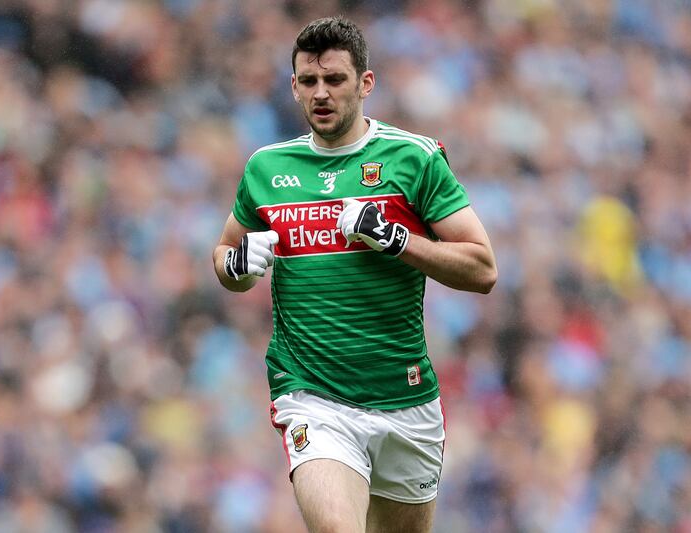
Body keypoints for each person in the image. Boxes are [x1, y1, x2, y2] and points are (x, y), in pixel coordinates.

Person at [212, 16, 497, 533]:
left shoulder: (414, 158)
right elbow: (227, 254)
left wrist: (397, 239)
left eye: (335, 80)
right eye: (309, 81)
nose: (321, 93)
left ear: (365, 83)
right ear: (294, 87)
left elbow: (482, 267)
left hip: (405, 400)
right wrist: (235, 267)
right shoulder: (266, 168)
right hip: (312, 398)